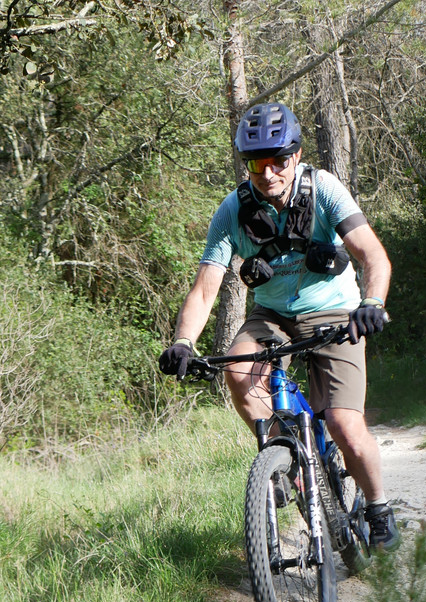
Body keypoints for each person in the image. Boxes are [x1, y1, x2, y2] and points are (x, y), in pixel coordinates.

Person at [158, 102, 399, 551]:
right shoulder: (233, 210)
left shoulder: (323, 189)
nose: (268, 173)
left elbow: (373, 256)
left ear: (297, 154)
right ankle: (283, 456)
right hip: (272, 316)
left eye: (278, 161)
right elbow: (205, 289)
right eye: (256, 164)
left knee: (345, 425)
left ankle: (378, 507)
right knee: (238, 371)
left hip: (335, 311)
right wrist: (183, 341)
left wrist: (372, 303)